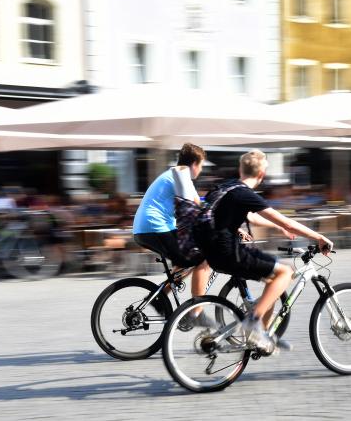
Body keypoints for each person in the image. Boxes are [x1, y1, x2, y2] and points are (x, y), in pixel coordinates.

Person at [195, 150, 333, 354]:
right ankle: (253, 321)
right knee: (284, 273)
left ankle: (262, 337)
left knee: (272, 284)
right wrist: (319, 237)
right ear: (261, 175)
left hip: (210, 253)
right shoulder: (245, 194)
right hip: (228, 251)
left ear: (240, 170)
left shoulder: (224, 187)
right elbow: (287, 221)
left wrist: (277, 228)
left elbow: (247, 216)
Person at [132, 143, 215, 327]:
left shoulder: (178, 177)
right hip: (154, 227)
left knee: (186, 257)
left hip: (150, 227)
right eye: (201, 165)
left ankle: (160, 297)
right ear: (194, 163)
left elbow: (198, 205)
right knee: (202, 259)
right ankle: (197, 312)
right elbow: (197, 209)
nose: (200, 170)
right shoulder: (180, 175)